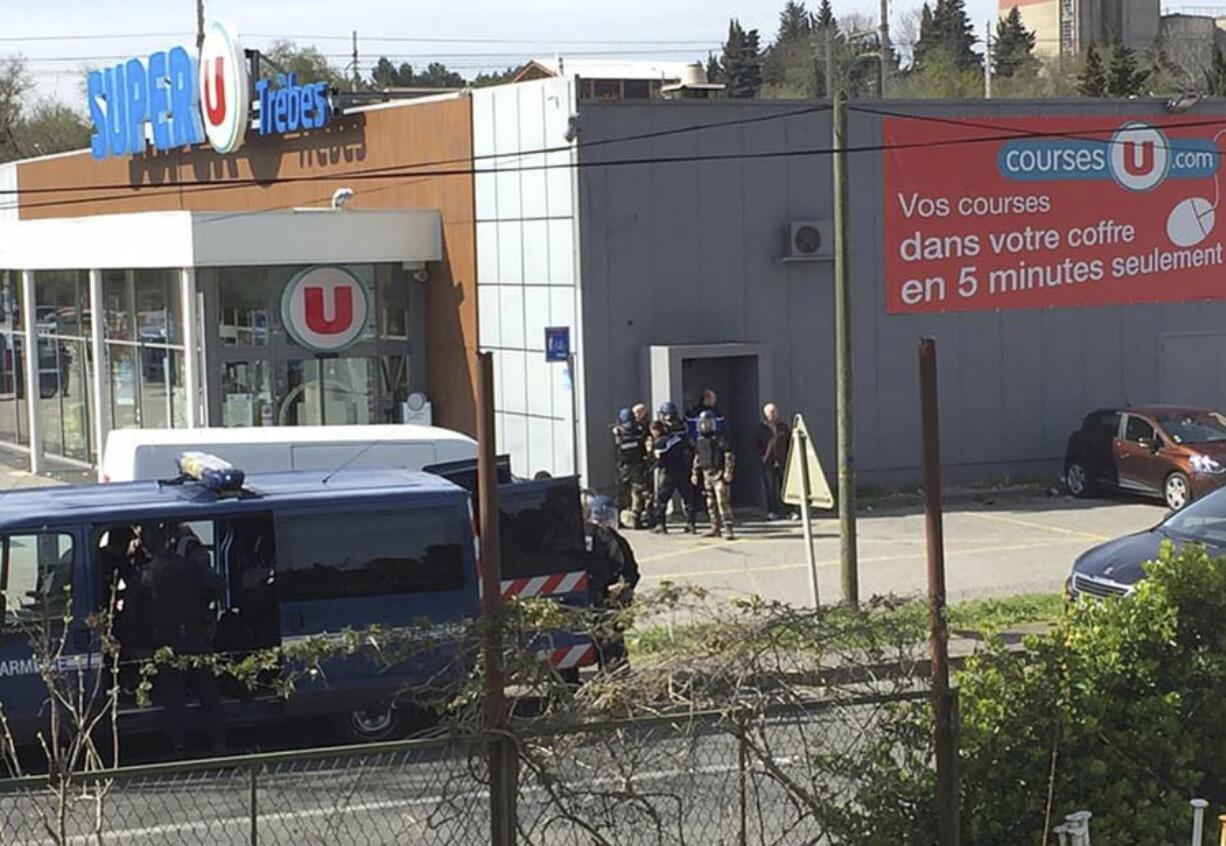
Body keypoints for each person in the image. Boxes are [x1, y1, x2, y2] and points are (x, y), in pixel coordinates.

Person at [138, 522, 226, 756]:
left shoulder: (144, 576)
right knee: (208, 692)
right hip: (195, 636)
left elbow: (133, 616)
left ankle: (179, 748)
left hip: (166, 642)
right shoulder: (189, 566)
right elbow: (216, 587)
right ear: (168, 542)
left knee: (174, 697)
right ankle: (219, 743)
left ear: (144, 548)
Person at [582, 492, 640, 668]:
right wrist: (623, 587)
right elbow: (629, 569)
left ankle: (569, 684)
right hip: (606, 601)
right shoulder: (611, 538)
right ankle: (615, 682)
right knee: (611, 647)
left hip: (578, 600)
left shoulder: (576, 534)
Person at [651, 403, 697, 534]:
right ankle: (691, 524)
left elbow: (660, 448)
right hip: (684, 467)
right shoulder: (683, 426)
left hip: (669, 469)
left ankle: (661, 525)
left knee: (661, 498)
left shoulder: (665, 430)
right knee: (687, 497)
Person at [693, 410, 736, 539]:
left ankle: (728, 528)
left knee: (722, 501)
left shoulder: (719, 438)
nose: (705, 425)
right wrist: (694, 473)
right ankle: (715, 527)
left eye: (707, 423)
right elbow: (697, 458)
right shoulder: (700, 440)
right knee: (710, 502)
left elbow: (728, 454)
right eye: (703, 423)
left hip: (719, 474)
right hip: (707, 474)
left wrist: (728, 471)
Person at [756, 402, 797, 521]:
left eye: (775, 412)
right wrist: (763, 457)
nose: (774, 414)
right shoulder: (760, 429)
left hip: (783, 462)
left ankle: (790, 511)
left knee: (785, 487)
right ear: (765, 414)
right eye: (771, 412)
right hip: (768, 463)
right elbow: (756, 445)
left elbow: (789, 442)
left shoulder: (783, 427)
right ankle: (772, 511)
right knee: (770, 488)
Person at [612, 407, 651, 528]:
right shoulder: (638, 430)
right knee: (639, 493)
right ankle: (637, 520)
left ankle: (618, 520)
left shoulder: (619, 431)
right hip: (637, 466)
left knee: (623, 493)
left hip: (624, 467)